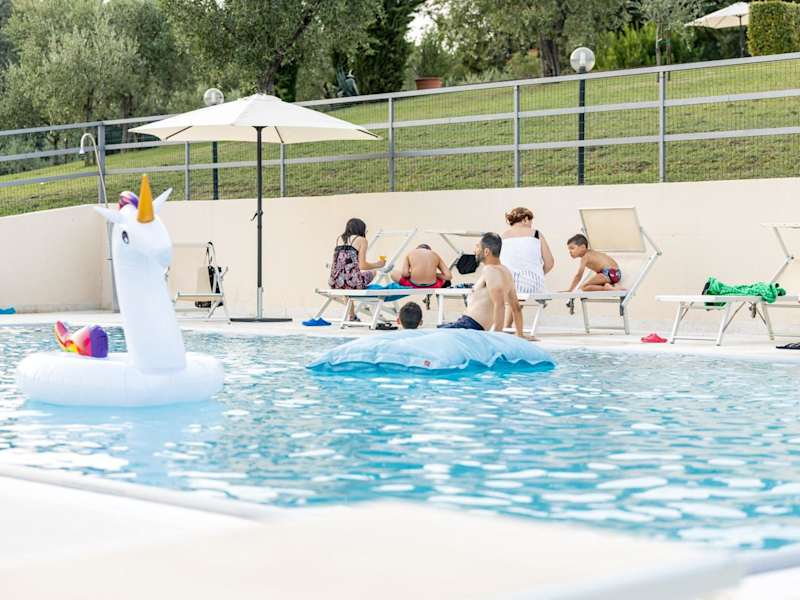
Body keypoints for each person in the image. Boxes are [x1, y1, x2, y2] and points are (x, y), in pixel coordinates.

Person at [438, 233, 529, 339]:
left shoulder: (490, 270)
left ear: (486, 252)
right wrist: (520, 334)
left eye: (477, 247)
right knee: (436, 332)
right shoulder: (506, 272)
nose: (475, 250)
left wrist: (496, 337)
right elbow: (516, 308)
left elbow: (499, 304)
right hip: (469, 325)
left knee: (432, 336)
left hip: (470, 326)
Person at [500, 206, 554, 328]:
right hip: (533, 283)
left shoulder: (503, 236)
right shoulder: (536, 234)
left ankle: (506, 326)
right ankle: (507, 327)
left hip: (506, 283)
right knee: (521, 287)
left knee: (515, 288)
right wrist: (538, 274)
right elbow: (550, 262)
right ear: (525, 219)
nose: (531, 225)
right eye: (531, 222)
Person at [329, 218, 386, 320]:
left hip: (335, 282)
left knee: (346, 287)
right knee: (373, 272)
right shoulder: (361, 240)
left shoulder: (339, 239)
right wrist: (378, 264)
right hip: (353, 283)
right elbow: (362, 265)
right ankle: (365, 305)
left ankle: (352, 316)